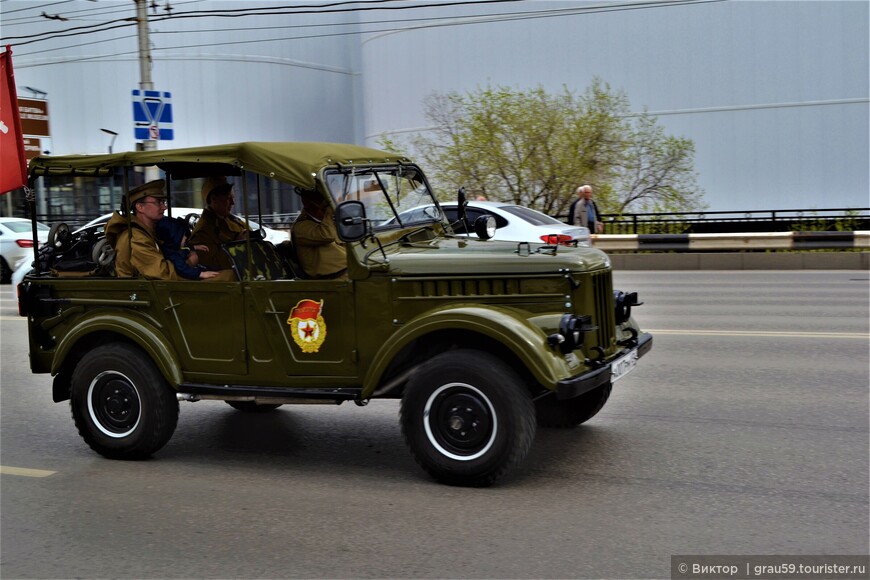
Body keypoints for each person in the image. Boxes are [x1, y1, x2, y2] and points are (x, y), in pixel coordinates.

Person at [104, 179, 220, 280]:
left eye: (163, 202)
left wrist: (190, 248)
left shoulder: (151, 231)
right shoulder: (137, 238)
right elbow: (163, 274)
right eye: (158, 202)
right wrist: (191, 262)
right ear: (140, 207)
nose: (164, 207)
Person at [188, 176, 250, 271]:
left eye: (233, 198)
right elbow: (212, 263)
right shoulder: (203, 231)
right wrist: (238, 245)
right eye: (228, 198)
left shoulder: (234, 221)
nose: (232, 203)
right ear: (214, 199)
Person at [290, 189, 347, 279]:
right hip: (333, 280)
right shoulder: (301, 227)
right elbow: (327, 235)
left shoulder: (326, 223)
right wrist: (330, 210)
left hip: (348, 272)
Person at [155, 216, 213, 280]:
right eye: (182, 236)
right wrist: (201, 274)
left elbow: (183, 249)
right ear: (175, 238)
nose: (185, 237)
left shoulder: (172, 249)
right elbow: (182, 269)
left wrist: (194, 247)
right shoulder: (173, 256)